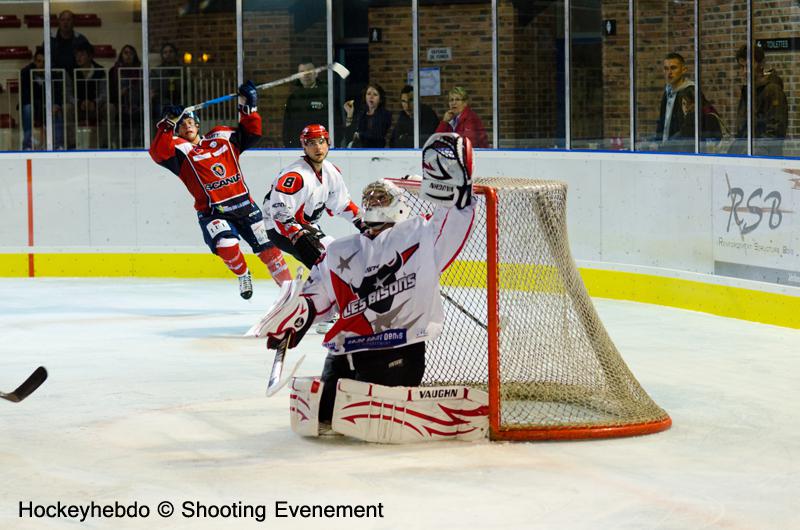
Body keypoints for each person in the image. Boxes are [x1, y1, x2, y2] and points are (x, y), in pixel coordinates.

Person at [258, 133, 478, 439]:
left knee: (366, 426)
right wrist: (297, 316)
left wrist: (459, 194)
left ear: (398, 206)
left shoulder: (420, 235)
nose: (374, 202)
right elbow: (317, 297)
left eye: (382, 198)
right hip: (344, 351)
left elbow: (454, 220)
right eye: (370, 198)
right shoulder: (339, 250)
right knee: (323, 419)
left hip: (397, 349)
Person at [148, 81, 291, 298]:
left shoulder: (221, 137)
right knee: (227, 246)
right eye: (182, 124)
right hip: (213, 213)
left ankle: (291, 293)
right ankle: (243, 274)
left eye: (190, 122)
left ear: (198, 124)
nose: (187, 126)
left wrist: (248, 106)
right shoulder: (179, 151)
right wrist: (167, 124)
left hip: (246, 207)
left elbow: (251, 133)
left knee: (270, 251)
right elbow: (158, 152)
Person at [262, 123, 363, 332]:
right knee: (325, 260)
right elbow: (279, 212)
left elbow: (342, 204)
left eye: (321, 142)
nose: (318, 147)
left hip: (305, 225)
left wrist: (363, 223)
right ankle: (317, 312)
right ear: (304, 146)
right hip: (280, 229)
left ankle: (307, 308)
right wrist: (299, 237)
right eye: (311, 143)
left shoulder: (331, 171)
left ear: (328, 143)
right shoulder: (296, 175)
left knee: (333, 254)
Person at [730, 45, 788, 156]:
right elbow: (742, 129)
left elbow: (775, 130)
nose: (745, 71)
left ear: (761, 64)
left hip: (762, 157)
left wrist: (756, 155)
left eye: (748, 66)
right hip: (748, 154)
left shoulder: (772, 90)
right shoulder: (749, 91)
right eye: (741, 67)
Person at [281, 59, 329, 148]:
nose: (306, 74)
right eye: (302, 72)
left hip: (320, 147)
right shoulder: (293, 97)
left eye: (309, 71)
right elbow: (287, 126)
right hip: (298, 147)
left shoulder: (326, 95)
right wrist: (290, 146)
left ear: (316, 73)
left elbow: (336, 123)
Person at [654, 52, 695, 150]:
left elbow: (690, 128)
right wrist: (657, 142)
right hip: (667, 147)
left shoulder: (690, 91)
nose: (669, 73)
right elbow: (662, 121)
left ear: (684, 70)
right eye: (666, 69)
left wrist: (669, 144)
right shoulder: (667, 91)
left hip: (683, 149)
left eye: (673, 68)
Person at [109, 44, 144, 148]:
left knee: (140, 113)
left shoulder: (140, 72)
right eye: (125, 53)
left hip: (137, 103)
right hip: (119, 103)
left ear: (135, 56)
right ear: (121, 55)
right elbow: (110, 91)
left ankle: (137, 143)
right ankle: (121, 144)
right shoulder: (113, 71)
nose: (128, 56)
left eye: (131, 53)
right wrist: (119, 94)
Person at [73, 42, 107, 144]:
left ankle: (105, 143)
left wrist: (95, 103)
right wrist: (78, 103)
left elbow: (104, 92)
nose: (78, 58)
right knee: (66, 108)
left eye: (82, 55)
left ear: (90, 56)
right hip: (77, 106)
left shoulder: (100, 71)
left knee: (110, 108)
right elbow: (67, 93)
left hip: (96, 106)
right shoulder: (70, 71)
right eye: (77, 55)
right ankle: (70, 143)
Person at [342, 82, 392, 148]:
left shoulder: (385, 114)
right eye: (368, 94)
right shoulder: (361, 114)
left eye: (375, 94)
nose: (371, 97)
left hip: (376, 151)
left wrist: (359, 135)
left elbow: (377, 136)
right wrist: (349, 114)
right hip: (358, 151)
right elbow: (348, 136)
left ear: (380, 99)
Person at [151, 43, 185, 124]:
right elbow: (155, 90)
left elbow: (187, 88)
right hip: (163, 102)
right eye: (165, 52)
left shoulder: (183, 70)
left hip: (180, 101)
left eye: (171, 52)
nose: (168, 54)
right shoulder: (156, 71)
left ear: (175, 54)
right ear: (162, 55)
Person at [20, 47, 46, 150]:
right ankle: (27, 144)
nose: (41, 65)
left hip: (46, 102)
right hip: (31, 102)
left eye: (44, 62)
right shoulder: (26, 72)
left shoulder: (53, 72)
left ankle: (56, 145)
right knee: (28, 108)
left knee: (56, 107)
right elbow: (26, 94)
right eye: (39, 61)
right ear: (34, 61)